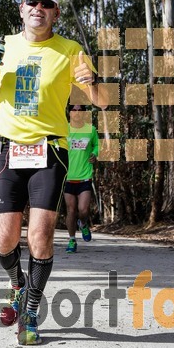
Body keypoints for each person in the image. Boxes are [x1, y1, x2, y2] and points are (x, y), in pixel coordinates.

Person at [0, 0, 107, 345]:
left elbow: (104, 101)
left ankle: (29, 315)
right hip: (6, 150)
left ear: (56, 13)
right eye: (33, 2)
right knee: (3, 240)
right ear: (21, 8)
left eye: (47, 4)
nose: (39, 8)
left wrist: (91, 83)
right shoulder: (4, 46)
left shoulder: (71, 50)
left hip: (50, 152)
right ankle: (17, 283)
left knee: (40, 236)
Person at [65, 105, 99, 253]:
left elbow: (97, 145)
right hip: (67, 177)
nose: (77, 113)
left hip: (85, 176)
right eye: (74, 110)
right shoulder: (63, 129)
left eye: (80, 110)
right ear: (69, 112)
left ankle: (83, 224)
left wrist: (95, 153)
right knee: (71, 210)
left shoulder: (90, 130)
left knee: (83, 210)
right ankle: (72, 240)